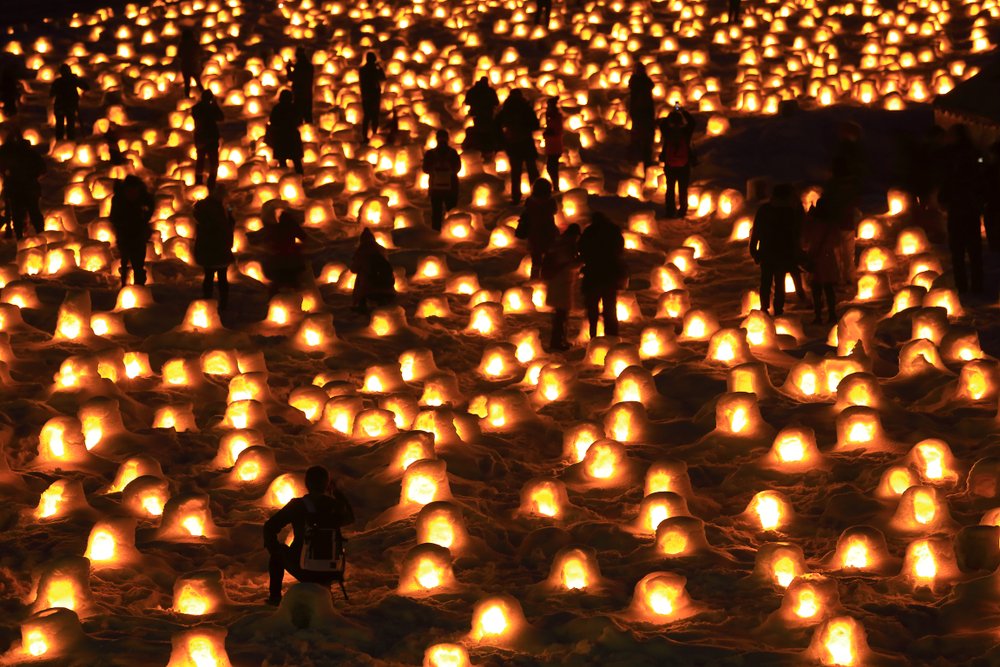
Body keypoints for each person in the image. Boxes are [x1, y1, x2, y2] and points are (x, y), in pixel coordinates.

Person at [263, 465, 354, 606]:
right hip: (331, 570)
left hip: (303, 569)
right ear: (326, 485)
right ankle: (324, 585)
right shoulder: (334, 506)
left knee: (278, 554)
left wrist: (273, 548)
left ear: (307, 484)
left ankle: (275, 597)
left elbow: (270, 526)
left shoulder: (297, 506)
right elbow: (350, 518)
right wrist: (336, 493)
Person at [939, 124, 985, 293]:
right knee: (973, 249)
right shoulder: (973, 153)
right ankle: (976, 285)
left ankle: (963, 286)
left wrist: (944, 197)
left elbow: (948, 180)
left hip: (960, 206)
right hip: (970, 206)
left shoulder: (952, 156)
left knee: (959, 250)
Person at [749, 183, 804, 317]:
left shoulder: (765, 210)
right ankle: (778, 309)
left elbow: (756, 231)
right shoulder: (789, 212)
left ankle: (765, 308)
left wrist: (754, 250)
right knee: (779, 283)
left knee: (766, 282)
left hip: (767, 252)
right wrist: (794, 253)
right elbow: (794, 235)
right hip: (782, 253)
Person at [579, 212, 625, 339]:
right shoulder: (613, 231)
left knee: (592, 307)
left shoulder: (589, 232)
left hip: (593, 274)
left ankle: (593, 334)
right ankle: (611, 336)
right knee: (610, 307)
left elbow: (581, 248)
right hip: (610, 274)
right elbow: (619, 249)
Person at [193, 187, 235, 310]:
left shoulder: (204, 209)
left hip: (209, 249)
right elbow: (226, 226)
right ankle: (222, 302)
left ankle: (208, 300)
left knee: (209, 276)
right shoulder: (216, 210)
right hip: (218, 248)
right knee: (221, 277)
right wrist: (229, 213)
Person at [496, 89, 540, 205]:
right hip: (526, 142)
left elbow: (496, 123)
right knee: (532, 170)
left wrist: (504, 137)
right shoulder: (525, 108)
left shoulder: (507, 109)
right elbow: (535, 124)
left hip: (513, 144)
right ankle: (537, 194)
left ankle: (516, 196)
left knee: (516, 172)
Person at [0, 129, 46, 239]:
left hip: (19, 188)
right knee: (28, 212)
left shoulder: (7, 152)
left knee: (24, 213)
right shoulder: (28, 152)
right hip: (23, 188)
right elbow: (42, 168)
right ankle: (35, 234)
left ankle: (24, 236)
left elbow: (41, 168)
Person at [110, 175, 154, 287]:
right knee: (124, 261)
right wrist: (121, 224)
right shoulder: (119, 200)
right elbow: (113, 217)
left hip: (138, 235)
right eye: (130, 191)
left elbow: (150, 205)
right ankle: (124, 284)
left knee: (138, 263)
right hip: (124, 235)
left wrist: (145, 218)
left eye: (135, 191)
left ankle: (139, 286)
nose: (132, 194)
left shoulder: (143, 199)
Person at [542, 224, 581, 351]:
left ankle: (560, 340)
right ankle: (557, 342)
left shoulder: (559, 244)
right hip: (561, 284)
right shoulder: (565, 247)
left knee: (561, 315)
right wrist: (580, 262)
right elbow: (568, 265)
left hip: (559, 283)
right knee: (561, 316)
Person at [803, 204, 841, 324]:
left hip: (814, 257)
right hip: (828, 259)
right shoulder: (832, 225)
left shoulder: (811, 224)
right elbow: (836, 241)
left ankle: (818, 315)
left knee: (816, 289)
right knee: (828, 288)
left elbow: (805, 239)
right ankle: (832, 314)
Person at [261, 208, 312, 295]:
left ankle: (277, 294)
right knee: (292, 278)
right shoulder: (292, 227)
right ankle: (294, 292)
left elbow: (269, 242)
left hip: (279, 260)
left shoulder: (275, 228)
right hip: (291, 258)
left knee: (280, 279)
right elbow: (304, 237)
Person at [515, 178, 559, 279]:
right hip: (548, 233)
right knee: (549, 257)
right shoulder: (550, 202)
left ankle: (534, 279)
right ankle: (547, 278)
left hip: (534, 235)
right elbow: (554, 211)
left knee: (536, 260)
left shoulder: (530, 202)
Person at [658, 105, 695, 218]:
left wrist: (670, 113)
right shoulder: (685, 133)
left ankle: (670, 210)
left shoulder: (668, 133)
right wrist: (683, 111)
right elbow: (692, 123)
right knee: (683, 189)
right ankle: (682, 210)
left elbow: (662, 124)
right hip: (684, 165)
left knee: (670, 189)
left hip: (670, 165)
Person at [421, 129, 461, 231]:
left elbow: (425, 169)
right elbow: (457, 168)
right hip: (451, 188)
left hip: (436, 188)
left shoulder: (430, 153)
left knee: (436, 213)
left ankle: (436, 232)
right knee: (451, 212)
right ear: (448, 139)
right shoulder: (453, 153)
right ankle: (452, 231)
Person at [350, 228, 395, 313]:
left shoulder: (362, 250)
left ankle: (361, 304)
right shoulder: (381, 249)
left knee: (361, 277)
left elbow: (354, 269)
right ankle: (382, 302)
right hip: (386, 283)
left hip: (369, 285)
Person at [265, 90, 304, 174]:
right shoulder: (294, 108)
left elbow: (273, 121)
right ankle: (300, 176)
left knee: (282, 160)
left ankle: (285, 175)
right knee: (296, 160)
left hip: (281, 137)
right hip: (292, 136)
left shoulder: (277, 108)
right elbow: (300, 121)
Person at [191, 89, 223, 188]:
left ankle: (199, 182)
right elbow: (220, 117)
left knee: (200, 161)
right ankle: (211, 183)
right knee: (213, 162)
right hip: (211, 138)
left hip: (200, 138)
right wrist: (215, 105)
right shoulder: (210, 108)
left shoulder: (196, 108)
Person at [50, 64, 89, 140]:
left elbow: (51, 93)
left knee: (62, 126)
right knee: (68, 126)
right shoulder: (72, 80)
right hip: (68, 106)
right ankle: (67, 141)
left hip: (62, 106)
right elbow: (86, 87)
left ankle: (62, 141)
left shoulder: (59, 81)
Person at [627, 62, 655, 168]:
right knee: (640, 132)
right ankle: (639, 156)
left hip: (644, 110)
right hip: (641, 110)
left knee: (643, 133)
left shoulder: (641, 81)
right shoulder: (638, 81)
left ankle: (643, 155)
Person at [465, 77, 500, 156]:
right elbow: (496, 102)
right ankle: (486, 149)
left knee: (480, 130)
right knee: (486, 131)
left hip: (478, 115)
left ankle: (481, 148)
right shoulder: (490, 91)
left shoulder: (473, 91)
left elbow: (467, 101)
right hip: (487, 114)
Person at [359, 53, 386, 143]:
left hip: (369, 95)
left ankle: (368, 135)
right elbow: (383, 78)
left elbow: (383, 78)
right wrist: (379, 68)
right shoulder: (370, 70)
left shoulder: (363, 70)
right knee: (371, 116)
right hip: (371, 94)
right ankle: (370, 134)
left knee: (370, 116)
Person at [980, 140, 1000, 253]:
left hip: (992, 206)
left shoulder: (990, 171)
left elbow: (984, 188)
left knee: (994, 234)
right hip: (992, 205)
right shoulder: (989, 170)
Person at [288, 47, 314, 124]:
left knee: (298, 116)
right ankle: (309, 127)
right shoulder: (309, 66)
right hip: (307, 94)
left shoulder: (299, 66)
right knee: (308, 115)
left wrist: (288, 69)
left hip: (299, 94)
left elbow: (291, 77)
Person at [542, 97, 563, 190]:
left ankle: (556, 186)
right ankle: (555, 186)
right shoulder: (552, 117)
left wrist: (548, 134)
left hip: (555, 147)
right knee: (552, 168)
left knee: (551, 168)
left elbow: (557, 131)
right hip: (552, 147)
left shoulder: (556, 117)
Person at [178, 28, 203, 97]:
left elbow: (179, 55)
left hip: (185, 66)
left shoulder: (182, 44)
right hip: (194, 65)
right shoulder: (195, 44)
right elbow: (201, 53)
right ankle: (205, 95)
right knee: (198, 82)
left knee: (187, 84)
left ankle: (187, 97)